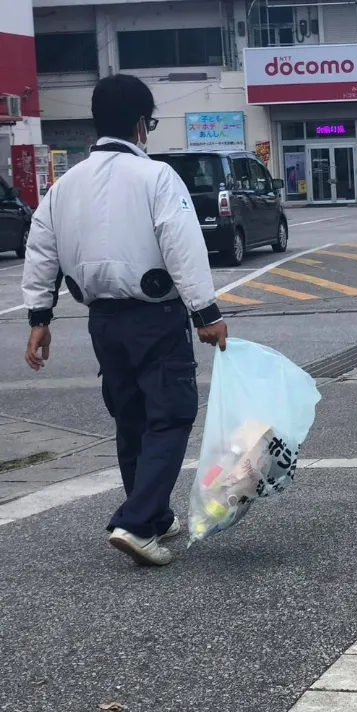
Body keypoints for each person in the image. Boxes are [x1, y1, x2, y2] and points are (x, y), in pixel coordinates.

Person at [21, 74, 228, 567]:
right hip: (156, 316)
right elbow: (183, 246)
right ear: (140, 124)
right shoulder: (156, 177)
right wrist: (207, 312)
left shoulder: (64, 185)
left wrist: (39, 316)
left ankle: (153, 517)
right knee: (172, 414)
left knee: (131, 419)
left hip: (103, 322)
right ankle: (136, 523)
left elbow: (40, 251)